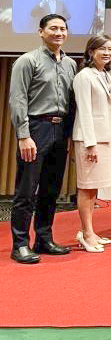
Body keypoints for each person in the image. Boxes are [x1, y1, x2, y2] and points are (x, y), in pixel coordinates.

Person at [8, 14, 77, 264]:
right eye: (53, 28)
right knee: (26, 190)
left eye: (62, 28)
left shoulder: (70, 64)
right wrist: (23, 135)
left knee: (51, 190)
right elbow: (18, 100)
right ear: (41, 32)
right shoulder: (27, 61)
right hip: (36, 128)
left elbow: (72, 102)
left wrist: (70, 135)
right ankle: (20, 244)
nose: (58, 32)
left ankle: (44, 239)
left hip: (61, 131)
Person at [72, 34, 111, 252]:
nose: (107, 53)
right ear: (91, 51)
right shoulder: (84, 76)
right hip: (89, 139)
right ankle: (86, 234)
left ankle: (88, 231)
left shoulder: (105, 75)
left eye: (110, 49)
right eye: (102, 49)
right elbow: (84, 110)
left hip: (105, 137)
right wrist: (90, 143)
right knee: (86, 187)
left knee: (94, 189)